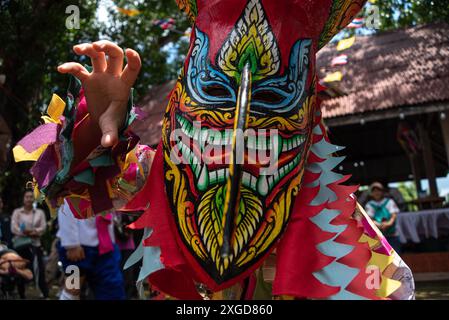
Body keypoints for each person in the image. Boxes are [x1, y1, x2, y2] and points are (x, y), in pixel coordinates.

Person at [57, 200, 125, 300]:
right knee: (72, 288)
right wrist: (71, 244)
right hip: (78, 247)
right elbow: (67, 201)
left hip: (106, 247)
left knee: (112, 288)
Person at [10, 189, 49, 299]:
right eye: (26, 196)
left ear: (34, 199)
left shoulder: (39, 213)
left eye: (31, 197)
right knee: (19, 269)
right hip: (20, 247)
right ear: (23, 199)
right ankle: (21, 293)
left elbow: (43, 228)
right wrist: (27, 232)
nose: (28, 199)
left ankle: (44, 293)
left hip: (35, 245)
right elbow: (14, 228)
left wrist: (32, 232)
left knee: (39, 270)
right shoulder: (17, 212)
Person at [365, 182, 402, 253]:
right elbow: (369, 218)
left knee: (396, 254)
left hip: (392, 235)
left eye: (378, 190)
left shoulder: (390, 202)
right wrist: (378, 225)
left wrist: (389, 223)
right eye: (374, 191)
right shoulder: (369, 205)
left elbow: (394, 215)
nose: (376, 192)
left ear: (382, 192)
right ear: (371, 193)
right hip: (378, 237)